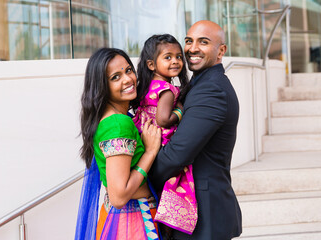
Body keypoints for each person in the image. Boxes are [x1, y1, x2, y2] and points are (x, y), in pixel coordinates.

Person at [149, 20, 242, 240]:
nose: (192, 48)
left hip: (204, 218)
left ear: (221, 51)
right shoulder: (200, 84)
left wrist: (137, 179)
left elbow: (177, 154)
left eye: (204, 42)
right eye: (189, 41)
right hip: (196, 216)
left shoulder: (211, 89)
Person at [75, 47, 162, 240]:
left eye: (128, 70)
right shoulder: (118, 124)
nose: (127, 79)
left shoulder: (110, 119)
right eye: (115, 77)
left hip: (118, 221)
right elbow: (119, 196)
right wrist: (150, 152)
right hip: (134, 223)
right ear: (101, 85)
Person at [131, 34, 197, 235]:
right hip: (161, 141)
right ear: (151, 64)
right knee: (180, 177)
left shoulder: (148, 85)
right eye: (167, 57)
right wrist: (181, 110)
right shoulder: (167, 89)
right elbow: (163, 120)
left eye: (178, 57)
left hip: (144, 139)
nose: (175, 61)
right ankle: (173, 220)